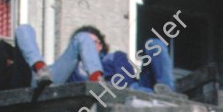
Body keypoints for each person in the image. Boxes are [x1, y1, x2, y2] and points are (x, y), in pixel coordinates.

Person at [14, 23, 176, 92]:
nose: (88, 47)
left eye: (94, 43)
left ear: (101, 46)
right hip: (50, 81)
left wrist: (107, 84)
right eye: (86, 44)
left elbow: (126, 80)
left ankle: (167, 89)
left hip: (132, 90)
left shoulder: (113, 58)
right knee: (23, 28)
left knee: (154, 44)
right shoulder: (73, 65)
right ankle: (39, 67)